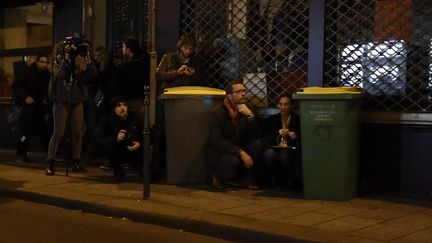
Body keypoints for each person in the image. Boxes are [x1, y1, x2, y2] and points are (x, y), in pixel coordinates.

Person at [153, 33, 205, 181]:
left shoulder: (195, 61)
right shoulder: (169, 57)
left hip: (186, 99)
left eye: (190, 48)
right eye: (185, 48)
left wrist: (192, 74)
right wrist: (177, 72)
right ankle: (158, 171)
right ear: (180, 47)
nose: (188, 51)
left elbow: (201, 79)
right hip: (169, 99)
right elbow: (158, 75)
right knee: (162, 133)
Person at [45, 34, 97, 175]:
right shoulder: (58, 60)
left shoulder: (79, 59)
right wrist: (66, 58)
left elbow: (90, 76)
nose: (73, 48)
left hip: (77, 98)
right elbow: (58, 75)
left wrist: (87, 58)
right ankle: (50, 162)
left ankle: (76, 161)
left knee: (77, 132)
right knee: (59, 132)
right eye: (69, 46)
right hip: (62, 99)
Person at [206, 81, 262, 190]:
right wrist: (240, 152)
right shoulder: (217, 112)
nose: (243, 94)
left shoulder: (249, 108)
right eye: (239, 91)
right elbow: (216, 140)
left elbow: (257, 134)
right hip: (223, 150)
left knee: (257, 144)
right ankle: (217, 177)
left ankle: (247, 179)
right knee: (232, 160)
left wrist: (250, 116)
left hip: (240, 145)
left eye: (244, 91)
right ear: (229, 96)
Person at [92, 96, 143, 183]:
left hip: (132, 149)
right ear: (114, 109)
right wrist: (115, 138)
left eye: (124, 105)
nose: (122, 108)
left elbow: (145, 134)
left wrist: (139, 143)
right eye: (118, 106)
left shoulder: (134, 118)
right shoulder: (107, 120)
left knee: (149, 176)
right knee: (109, 148)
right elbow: (96, 139)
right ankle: (118, 172)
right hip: (116, 150)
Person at [12, 54, 51, 162]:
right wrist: (25, 97)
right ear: (37, 62)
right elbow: (15, 87)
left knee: (44, 131)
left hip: (38, 106)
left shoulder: (47, 74)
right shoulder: (27, 72)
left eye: (46, 62)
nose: (44, 64)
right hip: (27, 106)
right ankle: (21, 152)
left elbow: (44, 91)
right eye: (42, 62)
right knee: (25, 132)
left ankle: (50, 154)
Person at [261, 92, 302, 190]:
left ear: (292, 105)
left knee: (285, 155)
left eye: (286, 104)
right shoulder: (272, 119)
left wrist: (294, 136)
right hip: (275, 146)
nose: (283, 107)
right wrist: (278, 134)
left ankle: (289, 178)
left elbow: (302, 138)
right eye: (281, 104)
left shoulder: (298, 120)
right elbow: (265, 137)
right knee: (269, 154)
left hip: (290, 148)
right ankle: (273, 177)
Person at [118, 37, 149, 119]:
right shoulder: (130, 62)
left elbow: (142, 81)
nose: (123, 49)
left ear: (129, 49)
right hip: (132, 97)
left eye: (124, 47)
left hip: (136, 98)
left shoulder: (135, 64)